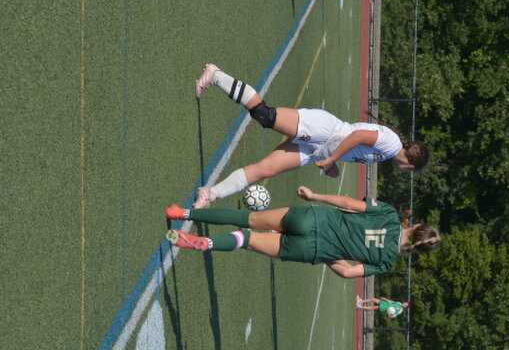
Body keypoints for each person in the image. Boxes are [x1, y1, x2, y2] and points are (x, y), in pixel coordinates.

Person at [192, 64, 430, 208]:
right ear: (409, 166)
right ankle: (215, 75)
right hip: (323, 130)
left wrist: (332, 162)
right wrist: (332, 159)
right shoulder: (392, 145)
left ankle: (209, 194)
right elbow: (357, 136)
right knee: (265, 115)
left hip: (317, 149)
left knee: (265, 170)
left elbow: (353, 145)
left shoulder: (387, 154)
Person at [165, 185, 441, 278]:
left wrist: (314, 195)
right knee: (246, 239)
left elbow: (348, 204)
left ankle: (182, 213)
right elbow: (347, 272)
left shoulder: (390, 215)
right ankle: (209, 243)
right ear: (415, 251)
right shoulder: (385, 263)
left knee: (248, 218)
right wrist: (328, 253)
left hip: (313, 220)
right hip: (313, 250)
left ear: (416, 226)